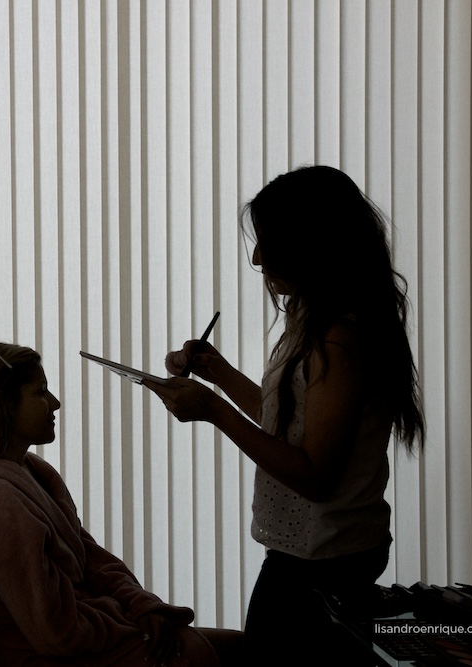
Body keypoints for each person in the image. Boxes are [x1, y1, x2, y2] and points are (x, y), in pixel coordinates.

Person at [144, 165, 425, 665]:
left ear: (309, 244)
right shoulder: (312, 320)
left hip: (325, 562)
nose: (256, 257)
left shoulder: (341, 337)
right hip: (317, 555)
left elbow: (315, 475)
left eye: (267, 242)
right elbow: (292, 424)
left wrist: (213, 411)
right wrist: (220, 374)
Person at [0, 343, 243, 667]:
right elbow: (56, 631)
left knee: (239, 647)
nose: (55, 403)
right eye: (40, 392)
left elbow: (92, 561)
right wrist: (134, 627)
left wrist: (142, 607)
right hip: (46, 657)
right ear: (1, 404)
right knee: (192, 654)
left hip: (87, 637)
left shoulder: (33, 476)